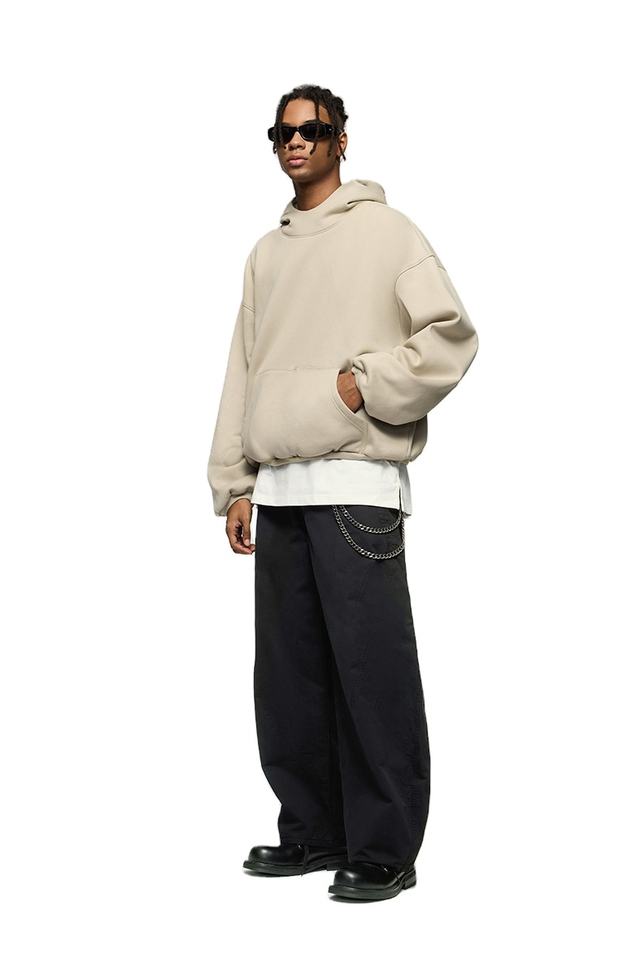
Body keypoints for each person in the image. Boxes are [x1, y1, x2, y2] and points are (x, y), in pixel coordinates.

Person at [207, 83, 479, 902]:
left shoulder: (387, 233)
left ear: (340, 139)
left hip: (356, 484)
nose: (296, 142)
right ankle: (313, 832)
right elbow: (243, 369)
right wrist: (234, 483)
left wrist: (363, 385)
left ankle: (386, 846)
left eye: (312, 129)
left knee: (370, 669)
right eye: (282, 132)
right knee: (288, 678)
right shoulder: (267, 252)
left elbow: (450, 336)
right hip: (279, 487)